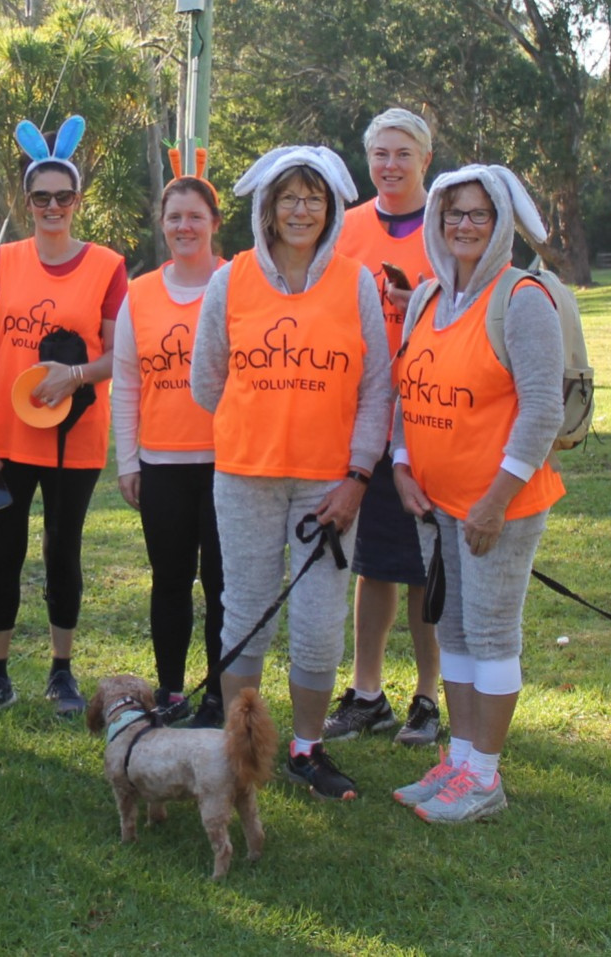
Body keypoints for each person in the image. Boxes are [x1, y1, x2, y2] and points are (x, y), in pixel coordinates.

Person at [190, 145, 391, 801]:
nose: (301, 210)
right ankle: (239, 747)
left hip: (328, 485)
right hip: (245, 475)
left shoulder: (356, 282)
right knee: (243, 612)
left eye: (313, 198)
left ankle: (307, 749)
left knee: (318, 617)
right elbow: (206, 380)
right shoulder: (232, 279)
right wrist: (263, 419)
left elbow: (377, 388)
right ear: (267, 209)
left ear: (330, 207)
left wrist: (357, 474)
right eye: (288, 198)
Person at [390, 165, 566, 824]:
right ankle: (459, 758)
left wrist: (495, 499)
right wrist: (403, 466)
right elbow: (409, 389)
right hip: (437, 503)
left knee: (491, 634)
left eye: (478, 214)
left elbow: (542, 409)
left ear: (501, 224)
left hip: (500, 504)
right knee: (453, 630)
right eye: (453, 213)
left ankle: (485, 777)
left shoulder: (521, 298)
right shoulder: (429, 295)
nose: (464, 225)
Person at [0, 115, 128, 719]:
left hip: (73, 439)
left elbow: (119, 356)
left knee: (64, 551)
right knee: (3, 553)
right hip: (6, 440)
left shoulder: (108, 266)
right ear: (26, 201)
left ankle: (61, 671)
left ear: (78, 200)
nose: (52, 206)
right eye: (41, 197)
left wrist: (76, 376)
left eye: (63, 196)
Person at [325, 108, 442, 746]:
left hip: (430, 412)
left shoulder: (448, 222)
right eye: (380, 154)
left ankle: (428, 697)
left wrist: (416, 301)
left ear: (425, 158)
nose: (390, 165)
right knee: (370, 562)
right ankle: (368, 692)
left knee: (424, 562)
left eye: (403, 153)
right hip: (362, 411)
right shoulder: (345, 228)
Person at [112, 156, 226, 727]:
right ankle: (174, 690)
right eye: (175, 216)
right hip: (162, 463)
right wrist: (128, 460)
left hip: (230, 463)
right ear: (162, 223)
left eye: (196, 217)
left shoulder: (237, 284)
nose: (185, 227)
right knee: (171, 582)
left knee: (225, 586)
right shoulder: (140, 293)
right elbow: (126, 380)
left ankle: (220, 695)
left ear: (213, 223)